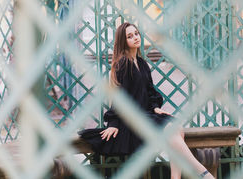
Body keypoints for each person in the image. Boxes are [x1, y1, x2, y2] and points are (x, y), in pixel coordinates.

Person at [79, 22, 214, 179]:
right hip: (132, 119)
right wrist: (114, 123)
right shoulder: (122, 64)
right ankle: (203, 172)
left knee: (177, 129)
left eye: (136, 33)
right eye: (130, 36)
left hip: (147, 113)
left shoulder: (141, 63)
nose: (135, 37)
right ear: (123, 41)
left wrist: (156, 107)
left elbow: (150, 90)